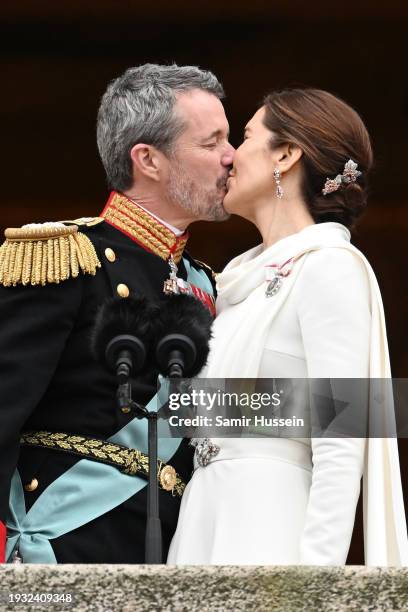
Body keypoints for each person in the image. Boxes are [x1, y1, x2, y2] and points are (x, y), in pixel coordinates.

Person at [0, 63, 234, 563]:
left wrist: (365, 414)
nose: (231, 158)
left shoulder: (206, 285)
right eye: (211, 142)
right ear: (148, 159)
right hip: (59, 556)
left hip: (171, 558)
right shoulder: (66, 259)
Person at [167, 88, 408, 566]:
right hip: (200, 523)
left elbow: (341, 441)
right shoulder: (236, 284)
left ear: (285, 154)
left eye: (246, 136)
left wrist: (315, 583)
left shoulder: (329, 267)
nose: (230, 155)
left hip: (269, 527)